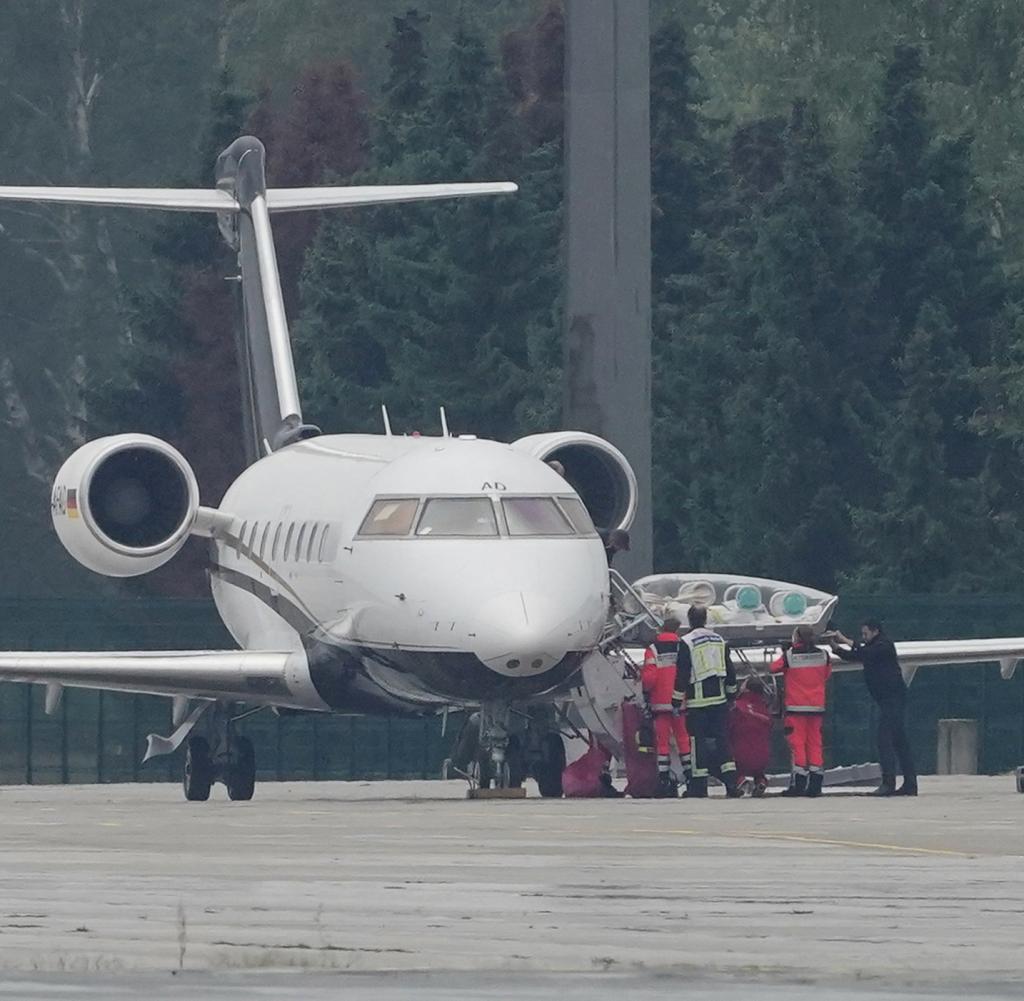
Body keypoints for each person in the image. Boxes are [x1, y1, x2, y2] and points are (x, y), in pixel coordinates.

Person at [830, 619, 918, 797]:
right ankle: (910, 784)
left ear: (875, 631)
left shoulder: (883, 645)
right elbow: (856, 655)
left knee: (884, 739)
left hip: (892, 699)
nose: (863, 637)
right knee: (900, 742)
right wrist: (835, 648)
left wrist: (844, 640)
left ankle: (888, 783)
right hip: (887, 700)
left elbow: (864, 652)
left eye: (865, 634)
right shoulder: (872, 648)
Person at [673, 605, 741, 798]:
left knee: (698, 743)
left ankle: (699, 787)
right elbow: (730, 671)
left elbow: (682, 674)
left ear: (690, 620)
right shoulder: (719, 640)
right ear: (705, 619)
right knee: (723, 741)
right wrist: (731, 695)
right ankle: (731, 784)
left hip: (698, 703)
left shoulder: (686, 642)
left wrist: (676, 701)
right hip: (719, 701)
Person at [770, 625, 832, 798]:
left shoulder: (790, 656)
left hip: (796, 708)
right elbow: (826, 675)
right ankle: (816, 784)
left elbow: (773, 668)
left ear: (796, 638)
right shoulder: (824, 655)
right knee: (815, 744)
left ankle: (798, 784)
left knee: (797, 745)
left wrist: (786, 652)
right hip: (816, 708)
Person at [641, 616, 691, 798]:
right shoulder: (682, 647)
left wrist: (646, 691)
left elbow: (649, 678)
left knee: (662, 742)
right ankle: (690, 776)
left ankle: (663, 779)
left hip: (660, 702)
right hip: (681, 701)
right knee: (683, 740)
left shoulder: (653, 649)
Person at [728, 676, 774, 797]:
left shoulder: (736, 707)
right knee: (758, 769)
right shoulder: (764, 709)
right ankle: (761, 781)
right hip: (763, 758)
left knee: (721, 755)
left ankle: (739, 780)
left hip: (740, 757)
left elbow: (727, 729)